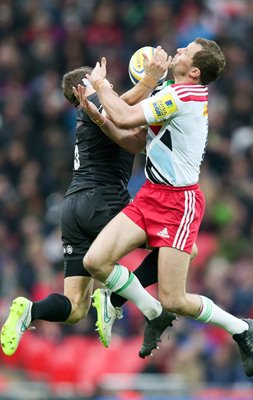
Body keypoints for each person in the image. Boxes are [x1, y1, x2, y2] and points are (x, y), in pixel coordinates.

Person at [76, 37, 253, 377]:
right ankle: (152, 312)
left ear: (194, 70)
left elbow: (126, 114)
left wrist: (101, 85)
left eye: (185, 52)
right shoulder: (171, 90)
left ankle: (241, 328)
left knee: (175, 299)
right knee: (95, 261)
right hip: (151, 194)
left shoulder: (182, 96)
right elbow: (134, 141)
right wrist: (101, 118)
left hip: (179, 203)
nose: (177, 50)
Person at [0, 47, 177, 356]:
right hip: (103, 199)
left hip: (74, 208)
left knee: (76, 308)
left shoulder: (97, 112)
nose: (104, 80)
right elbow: (122, 109)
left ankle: (30, 311)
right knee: (173, 245)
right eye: (96, 78)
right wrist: (150, 80)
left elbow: (135, 139)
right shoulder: (93, 103)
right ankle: (116, 300)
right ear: (83, 89)